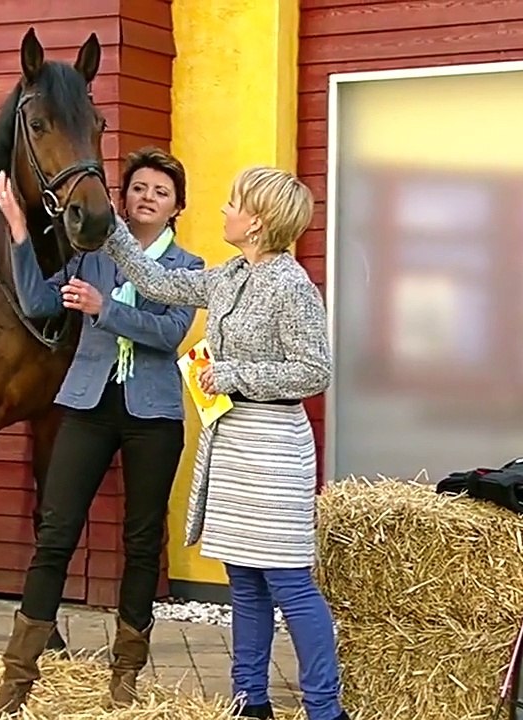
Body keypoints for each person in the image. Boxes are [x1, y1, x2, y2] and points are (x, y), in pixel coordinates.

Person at [99, 166, 350, 720]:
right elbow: (155, 281)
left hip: (274, 445)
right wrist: (107, 223)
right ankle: (250, 701)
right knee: (244, 578)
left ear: (257, 223)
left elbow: (314, 372)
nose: (223, 210)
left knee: (289, 582)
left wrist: (233, 373)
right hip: (232, 442)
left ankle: (325, 709)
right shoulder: (229, 275)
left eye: (234, 203)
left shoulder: (292, 287)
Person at [0, 147, 204, 712]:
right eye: (138, 188)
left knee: (140, 542)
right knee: (55, 534)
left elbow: (168, 335)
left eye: (161, 191)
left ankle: (125, 675)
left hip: (152, 417)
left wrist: (104, 309)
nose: (147, 198)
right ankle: (17, 679)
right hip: (86, 406)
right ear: (122, 198)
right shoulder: (92, 255)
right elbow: (39, 301)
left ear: (177, 207)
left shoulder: (190, 269)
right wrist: (18, 230)